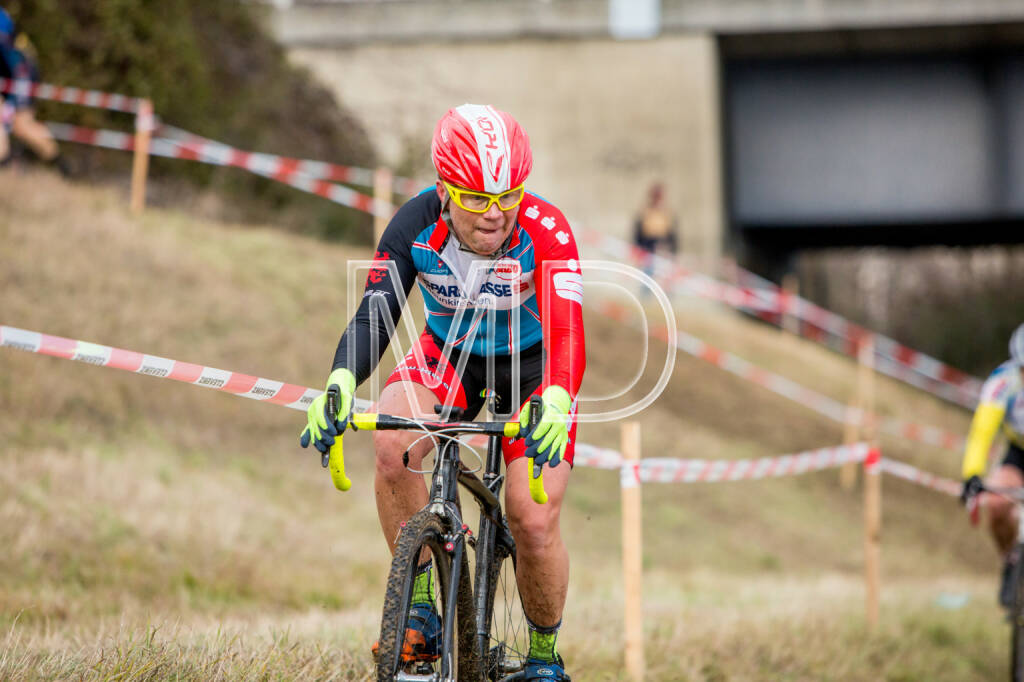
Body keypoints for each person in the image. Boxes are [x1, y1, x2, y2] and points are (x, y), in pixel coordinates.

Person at [300, 104, 585, 681]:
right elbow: (375, 314)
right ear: (444, 190)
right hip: (451, 354)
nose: (495, 214)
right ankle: (423, 610)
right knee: (392, 446)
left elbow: (567, 331)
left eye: (507, 196)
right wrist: (341, 379)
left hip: (533, 367)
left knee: (532, 519)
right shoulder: (413, 224)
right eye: (476, 198)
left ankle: (542, 659)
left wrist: (556, 396)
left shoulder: (546, 229)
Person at [961, 322, 1024, 607]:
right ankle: (1011, 561)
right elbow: (981, 433)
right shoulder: (1003, 382)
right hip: (1018, 453)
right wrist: (972, 474)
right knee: (997, 502)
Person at [0, 7, 69, 175]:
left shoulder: (2, 26)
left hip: (21, 74)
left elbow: (17, 64)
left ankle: (61, 166)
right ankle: (5, 160)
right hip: (11, 75)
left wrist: (13, 103)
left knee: (22, 126)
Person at [632, 181, 678, 259]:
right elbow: (638, 235)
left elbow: (672, 237)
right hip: (647, 249)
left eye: (659, 196)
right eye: (655, 196)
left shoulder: (668, 213)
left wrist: (672, 253)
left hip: (663, 250)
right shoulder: (645, 212)